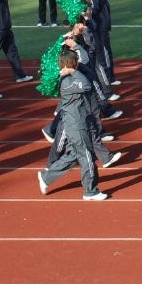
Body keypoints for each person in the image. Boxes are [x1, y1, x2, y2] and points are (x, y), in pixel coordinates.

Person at [37, 49, 109, 201]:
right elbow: (87, 85)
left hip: (81, 122)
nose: (77, 63)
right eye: (75, 61)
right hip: (76, 124)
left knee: (74, 155)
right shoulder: (68, 81)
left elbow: (88, 76)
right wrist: (72, 71)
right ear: (70, 63)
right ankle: (90, 191)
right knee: (87, 155)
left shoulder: (73, 77)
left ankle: (46, 176)